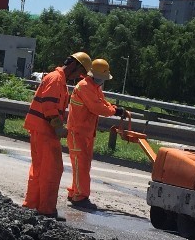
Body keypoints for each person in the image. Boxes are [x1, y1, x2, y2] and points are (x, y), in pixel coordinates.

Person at [22, 52, 91, 218]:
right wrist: (58, 126)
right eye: (79, 72)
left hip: (42, 130)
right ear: (73, 65)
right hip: (45, 132)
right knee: (52, 170)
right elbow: (49, 106)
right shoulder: (56, 79)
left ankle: (32, 206)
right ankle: (46, 210)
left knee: (39, 170)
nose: (78, 77)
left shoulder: (58, 79)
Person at [66, 58, 128, 210]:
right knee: (81, 165)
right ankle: (80, 197)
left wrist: (114, 108)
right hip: (77, 132)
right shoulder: (85, 86)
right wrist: (115, 111)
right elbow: (97, 107)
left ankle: (75, 192)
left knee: (82, 165)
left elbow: (102, 102)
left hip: (85, 132)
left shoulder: (94, 86)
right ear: (97, 76)